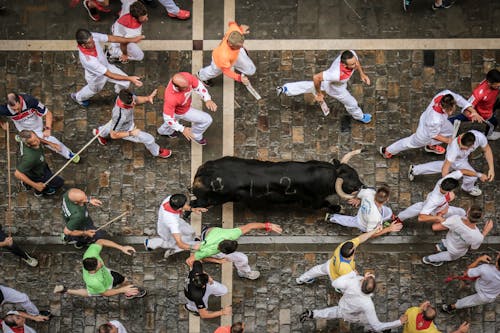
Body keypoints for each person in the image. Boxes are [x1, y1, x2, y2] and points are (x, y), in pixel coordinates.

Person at [277, 50, 372, 123]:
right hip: (336, 90)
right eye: (352, 64)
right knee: (352, 103)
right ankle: (361, 117)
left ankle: (286, 89)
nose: (355, 65)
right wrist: (319, 94)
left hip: (333, 83)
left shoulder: (350, 54)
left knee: (310, 86)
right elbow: (316, 77)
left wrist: (362, 74)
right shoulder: (335, 74)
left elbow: (356, 62)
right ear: (343, 64)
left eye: (355, 62)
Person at [300, 271, 407, 332]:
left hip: (344, 306)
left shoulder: (353, 282)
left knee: (330, 312)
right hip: (354, 315)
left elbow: (335, 284)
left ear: (363, 281)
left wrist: (351, 274)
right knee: (370, 323)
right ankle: (377, 331)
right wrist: (399, 322)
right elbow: (377, 325)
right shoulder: (368, 304)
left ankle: (311, 314)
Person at [379, 90, 474, 158]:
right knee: (409, 143)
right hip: (424, 134)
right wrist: (448, 141)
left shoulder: (445, 94)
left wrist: (472, 110)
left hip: (437, 123)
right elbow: (434, 135)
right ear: (444, 108)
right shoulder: (435, 119)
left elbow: (459, 99)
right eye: (449, 111)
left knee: (450, 130)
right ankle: (388, 150)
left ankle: (431, 146)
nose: (451, 113)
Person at [70, 28, 144, 107]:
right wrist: (131, 78)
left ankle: (121, 93)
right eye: (90, 42)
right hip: (96, 77)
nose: (94, 42)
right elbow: (110, 75)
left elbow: (111, 38)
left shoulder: (91, 37)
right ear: (83, 45)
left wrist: (131, 40)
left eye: (92, 39)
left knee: (125, 82)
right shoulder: (89, 60)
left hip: (106, 66)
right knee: (93, 90)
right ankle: (78, 97)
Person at [408, 130, 495, 196]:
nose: (462, 149)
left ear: (472, 145)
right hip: (457, 161)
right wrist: (446, 187)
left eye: (464, 148)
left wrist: (491, 169)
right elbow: (445, 169)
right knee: (471, 177)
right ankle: (467, 188)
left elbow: (487, 149)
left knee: (442, 165)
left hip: (462, 159)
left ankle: (415, 169)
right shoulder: (454, 150)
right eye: (461, 147)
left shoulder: (479, 136)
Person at [53, 239, 146, 299]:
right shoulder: (94, 282)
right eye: (99, 264)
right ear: (94, 269)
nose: (101, 262)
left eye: (98, 261)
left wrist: (121, 247)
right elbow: (105, 293)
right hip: (103, 287)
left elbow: (100, 241)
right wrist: (121, 290)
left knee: (124, 280)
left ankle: (128, 292)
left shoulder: (90, 255)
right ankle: (66, 290)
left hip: (108, 275)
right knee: (89, 292)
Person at [186, 222, 283, 280]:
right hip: (205, 241)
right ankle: (244, 272)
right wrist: (217, 261)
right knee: (242, 258)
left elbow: (250, 226)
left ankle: (244, 272)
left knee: (242, 258)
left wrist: (267, 225)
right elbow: (189, 261)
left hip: (209, 234)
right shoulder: (208, 250)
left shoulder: (232, 234)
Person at [92, 89, 171, 158]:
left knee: (113, 125)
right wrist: (131, 133)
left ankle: (100, 133)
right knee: (149, 139)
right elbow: (114, 135)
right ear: (124, 104)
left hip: (123, 122)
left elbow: (136, 99)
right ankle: (156, 151)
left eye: (133, 100)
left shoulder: (124, 95)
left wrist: (147, 98)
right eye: (132, 103)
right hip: (126, 129)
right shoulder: (120, 116)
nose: (134, 103)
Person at [0, 93, 79, 162]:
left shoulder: (30, 101)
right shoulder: (4, 109)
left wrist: (47, 129)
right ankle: (22, 138)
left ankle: (69, 154)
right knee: (29, 152)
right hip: (23, 129)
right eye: (14, 109)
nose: (17, 112)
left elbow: (48, 113)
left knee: (49, 140)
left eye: (18, 108)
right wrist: (2, 123)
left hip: (36, 126)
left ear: (20, 101)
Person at [295, 227, 382, 285]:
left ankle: (301, 279)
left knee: (316, 270)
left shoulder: (344, 246)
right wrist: (363, 276)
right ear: (351, 255)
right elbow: (354, 279)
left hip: (330, 264)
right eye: (354, 248)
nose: (355, 246)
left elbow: (360, 238)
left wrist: (374, 230)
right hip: (336, 277)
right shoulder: (344, 268)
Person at [157, 72, 217, 145]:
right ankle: (196, 135)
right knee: (207, 119)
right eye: (185, 87)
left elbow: (198, 85)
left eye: (188, 84)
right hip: (181, 111)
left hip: (183, 106)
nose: (189, 87)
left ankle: (163, 131)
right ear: (177, 87)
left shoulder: (186, 78)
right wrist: (182, 129)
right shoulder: (171, 98)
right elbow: (168, 118)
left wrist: (207, 99)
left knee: (173, 121)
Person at [422, 205, 493, 266]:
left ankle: (440, 248)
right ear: (479, 219)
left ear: (468, 212)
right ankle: (428, 259)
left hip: (449, 240)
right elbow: (473, 248)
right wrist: (485, 231)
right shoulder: (477, 237)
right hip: (456, 251)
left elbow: (436, 227)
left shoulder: (455, 219)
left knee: (447, 244)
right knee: (448, 256)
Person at [396, 171, 466, 229]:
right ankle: (399, 218)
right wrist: (438, 218)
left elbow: (462, 171)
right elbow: (421, 218)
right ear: (451, 190)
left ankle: (399, 217)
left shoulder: (443, 181)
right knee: (461, 212)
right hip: (436, 209)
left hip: (437, 204)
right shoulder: (434, 201)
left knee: (419, 206)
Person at [144, 193, 205, 258]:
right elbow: (180, 244)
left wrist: (192, 209)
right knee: (172, 243)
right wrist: (193, 247)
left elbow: (183, 206)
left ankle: (193, 239)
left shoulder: (171, 199)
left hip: (176, 221)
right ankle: (150, 244)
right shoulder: (171, 221)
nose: (186, 205)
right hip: (168, 230)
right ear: (179, 209)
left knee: (190, 231)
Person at [325, 185, 403, 236]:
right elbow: (370, 234)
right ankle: (332, 217)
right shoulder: (375, 218)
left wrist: (358, 199)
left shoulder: (368, 192)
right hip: (363, 222)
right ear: (387, 200)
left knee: (387, 211)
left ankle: (391, 216)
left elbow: (357, 193)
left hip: (364, 212)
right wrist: (388, 229)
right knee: (349, 221)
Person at [198, 21, 255, 87]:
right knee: (213, 72)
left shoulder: (234, 31)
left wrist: (240, 29)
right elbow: (226, 71)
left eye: (242, 44)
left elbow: (231, 23)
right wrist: (239, 78)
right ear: (230, 44)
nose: (241, 46)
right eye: (238, 46)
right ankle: (201, 76)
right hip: (218, 62)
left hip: (233, 56)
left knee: (247, 66)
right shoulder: (223, 55)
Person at [449, 69, 500, 140]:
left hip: (491, 103)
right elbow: (467, 105)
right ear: (489, 83)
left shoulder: (494, 83)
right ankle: (488, 135)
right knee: (493, 123)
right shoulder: (479, 93)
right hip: (484, 113)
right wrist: (475, 115)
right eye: (497, 86)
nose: (498, 88)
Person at [14, 130, 64, 197]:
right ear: (28, 145)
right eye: (34, 141)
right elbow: (17, 173)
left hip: (40, 166)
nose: (38, 141)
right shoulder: (30, 158)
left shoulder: (26, 138)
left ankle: (28, 185)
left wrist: (51, 144)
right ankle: (38, 191)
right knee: (58, 182)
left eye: (36, 137)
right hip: (37, 174)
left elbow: (38, 139)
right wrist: (36, 185)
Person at [403, 301, 469, 333]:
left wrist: (420, 308)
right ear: (432, 320)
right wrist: (460, 331)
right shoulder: (431, 331)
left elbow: (407, 313)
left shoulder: (413, 311)